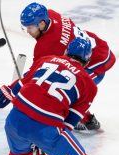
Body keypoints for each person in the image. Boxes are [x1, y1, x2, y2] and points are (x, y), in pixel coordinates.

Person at [0, 38, 97, 155]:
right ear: (87, 61)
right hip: (46, 128)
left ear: (66, 52)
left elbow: (17, 88)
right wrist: (46, 143)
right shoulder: (90, 85)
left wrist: (3, 95)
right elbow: (70, 121)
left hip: (14, 121)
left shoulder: (46, 59)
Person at [20, 2, 116, 130]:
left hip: (96, 61)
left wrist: (23, 82)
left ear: (42, 24)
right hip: (97, 46)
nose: (28, 31)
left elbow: (37, 73)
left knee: (63, 87)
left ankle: (86, 120)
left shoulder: (46, 46)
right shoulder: (51, 14)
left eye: (30, 27)